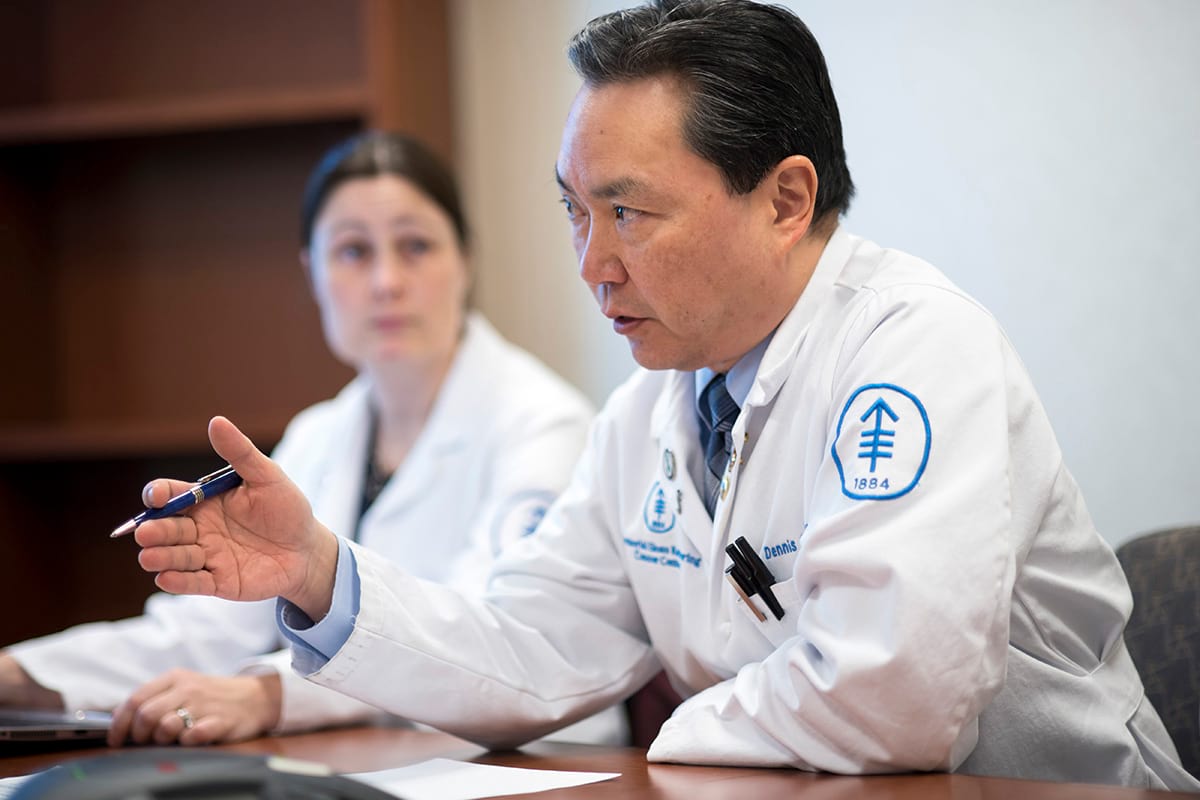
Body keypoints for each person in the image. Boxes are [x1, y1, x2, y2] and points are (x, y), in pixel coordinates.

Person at [127, 0, 1197, 789]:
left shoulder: (916, 350)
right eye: (574, 214)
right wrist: (320, 571)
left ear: (786, 199)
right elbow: (537, 649)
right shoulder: (648, 410)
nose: (592, 264)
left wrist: (669, 737)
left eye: (628, 213)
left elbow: (892, 699)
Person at [0, 130, 625, 747]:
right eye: (353, 252)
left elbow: (492, 643)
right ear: (312, 272)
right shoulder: (321, 435)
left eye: (415, 246)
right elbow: (201, 632)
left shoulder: (544, 426)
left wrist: (269, 693)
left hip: (541, 767)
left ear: (465, 261)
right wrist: (19, 674)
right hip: (386, 762)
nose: (386, 281)